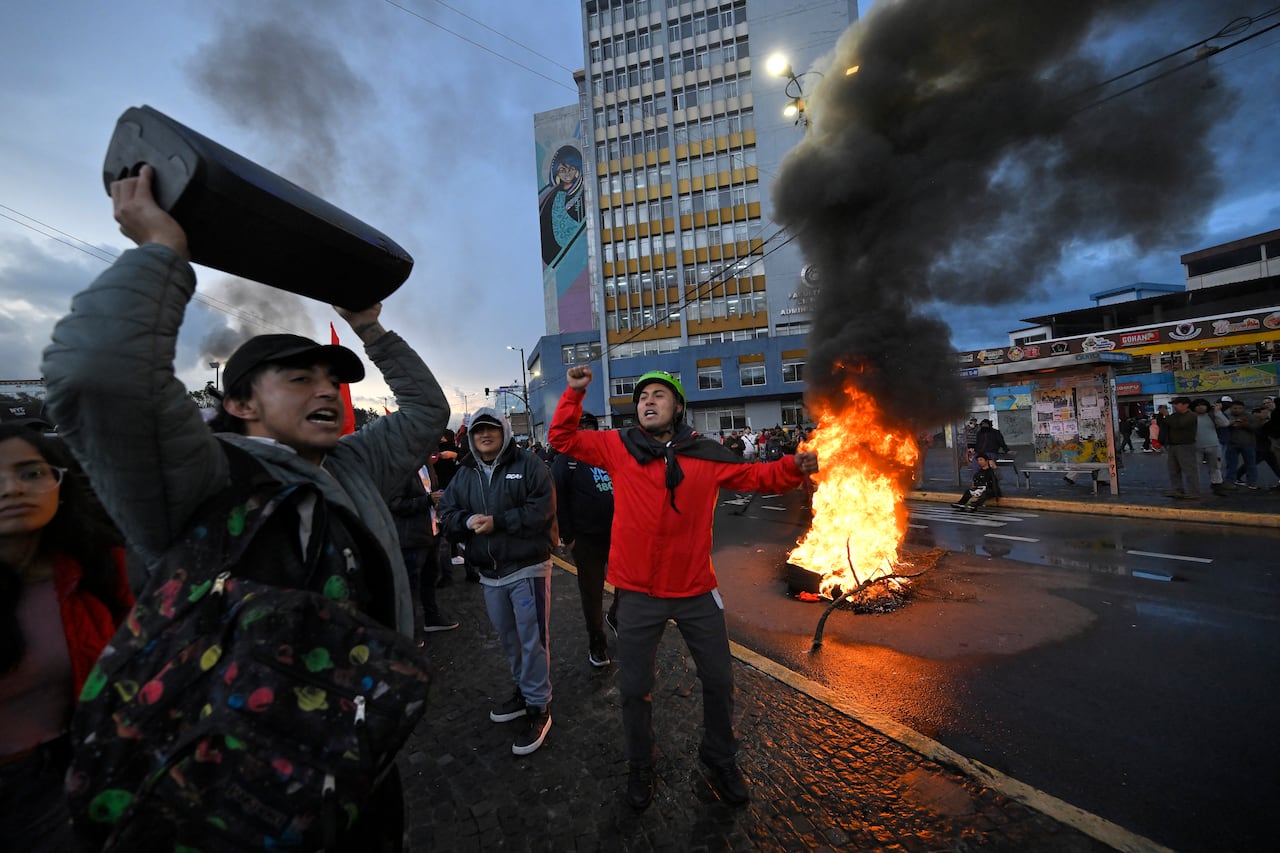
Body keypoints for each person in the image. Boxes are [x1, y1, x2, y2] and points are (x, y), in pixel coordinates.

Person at [40, 164, 450, 849]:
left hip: (356, 759)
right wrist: (159, 252)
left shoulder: (353, 464)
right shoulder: (203, 475)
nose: (326, 390)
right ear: (238, 403)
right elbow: (98, 374)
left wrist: (371, 330)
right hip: (232, 789)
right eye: (299, 377)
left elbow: (427, 410)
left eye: (331, 378)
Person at [549, 367, 819, 811]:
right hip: (637, 593)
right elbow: (563, 439)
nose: (648, 401)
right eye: (642, 397)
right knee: (635, 689)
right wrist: (575, 393)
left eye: (659, 394)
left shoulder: (706, 453)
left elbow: (758, 478)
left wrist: (793, 465)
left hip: (696, 591)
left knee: (718, 680)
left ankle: (720, 756)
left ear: (677, 407)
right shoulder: (618, 446)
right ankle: (641, 762)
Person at [0, 426, 134, 849]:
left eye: (31, 473)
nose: (12, 489)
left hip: (66, 777)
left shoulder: (96, 569)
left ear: (60, 482)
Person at [438, 408, 557, 756]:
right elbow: (446, 513)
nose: (484, 436)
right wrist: (468, 519)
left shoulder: (530, 464)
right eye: (478, 432)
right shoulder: (465, 474)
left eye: (491, 429)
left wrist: (498, 522)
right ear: (471, 438)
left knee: (533, 640)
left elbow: (543, 511)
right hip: (490, 575)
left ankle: (539, 706)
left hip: (527, 568)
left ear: (504, 432)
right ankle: (523, 691)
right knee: (510, 640)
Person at [550, 411, 618, 668]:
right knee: (592, 594)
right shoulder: (565, 462)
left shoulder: (607, 458)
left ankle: (616, 616)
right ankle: (597, 644)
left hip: (617, 536)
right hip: (586, 541)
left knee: (628, 584)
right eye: (580, 428)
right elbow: (559, 502)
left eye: (589, 426)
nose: (586, 431)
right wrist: (569, 537)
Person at [389, 462, 458, 634]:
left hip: (431, 533)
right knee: (410, 587)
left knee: (429, 580)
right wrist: (427, 500)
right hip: (410, 538)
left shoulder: (427, 464)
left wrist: (438, 501)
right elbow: (394, 504)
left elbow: (432, 491)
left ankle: (431, 618)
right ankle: (410, 631)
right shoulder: (399, 468)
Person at [1162, 396, 1200, 499]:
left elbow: (1179, 425)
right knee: (1173, 469)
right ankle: (1177, 489)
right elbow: (1166, 424)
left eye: (1177, 404)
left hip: (1185, 445)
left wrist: (1167, 416)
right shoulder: (1175, 415)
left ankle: (1193, 491)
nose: (1174, 406)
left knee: (1189, 469)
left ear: (1185, 405)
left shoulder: (1191, 416)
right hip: (1173, 445)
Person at [1191, 398, 1230, 497]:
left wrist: (1218, 412)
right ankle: (1194, 488)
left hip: (1213, 445)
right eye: (1198, 405)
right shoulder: (1191, 417)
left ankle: (1217, 485)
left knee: (1215, 467)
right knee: (1195, 468)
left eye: (1203, 405)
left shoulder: (1212, 416)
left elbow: (1225, 423)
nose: (1200, 407)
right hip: (1196, 446)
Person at [1222, 400, 1262, 489]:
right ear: (1231, 408)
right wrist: (1231, 424)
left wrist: (1244, 424)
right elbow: (1221, 427)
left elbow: (1256, 427)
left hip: (1248, 443)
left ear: (1243, 408)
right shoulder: (1226, 416)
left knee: (1251, 464)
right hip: (1232, 443)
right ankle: (1230, 481)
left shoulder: (1250, 416)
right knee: (1231, 465)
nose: (1237, 410)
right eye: (1235, 408)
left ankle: (1252, 482)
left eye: (1240, 408)